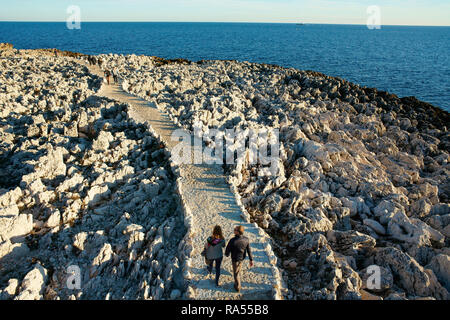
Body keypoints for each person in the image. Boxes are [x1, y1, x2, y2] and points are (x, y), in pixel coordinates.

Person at [225, 225, 253, 292]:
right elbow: (249, 250)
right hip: (242, 257)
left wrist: (227, 254)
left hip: (235, 258)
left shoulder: (232, 240)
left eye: (235, 229)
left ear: (238, 232)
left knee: (236, 273)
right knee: (239, 267)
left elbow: (227, 250)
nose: (234, 230)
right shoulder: (246, 239)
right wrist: (251, 259)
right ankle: (238, 271)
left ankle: (238, 287)